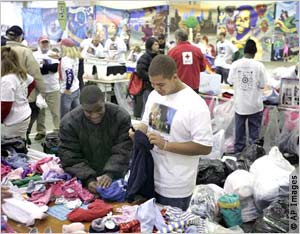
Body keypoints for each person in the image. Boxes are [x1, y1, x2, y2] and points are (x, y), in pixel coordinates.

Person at [129, 55, 213, 210]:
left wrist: (166, 145)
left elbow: (205, 147)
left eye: (161, 84)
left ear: (174, 77)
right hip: (150, 177)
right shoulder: (155, 95)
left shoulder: (194, 104)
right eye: (153, 84)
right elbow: (146, 124)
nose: (157, 89)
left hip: (176, 186)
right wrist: (137, 133)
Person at [58, 85, 132, 193]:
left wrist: (110, 173)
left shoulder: (120, 117)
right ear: (81, 106)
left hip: (117, 174)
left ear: (104, 101)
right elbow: (70, 156)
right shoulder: (69, 123)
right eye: (88, 112)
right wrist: (88, 179)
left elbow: (123, 150)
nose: (94, 115)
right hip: (83, 178)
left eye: (99, 109)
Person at [5, 25, 46, 142]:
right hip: (24, 94)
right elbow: (35, 73)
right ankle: (24, 137)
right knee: (30, 113)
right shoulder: (25, 51)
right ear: (20, 37)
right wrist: (43, 91)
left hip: (5, 94)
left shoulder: (2, 50)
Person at [227, 39, 267, 154]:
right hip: (255, 106)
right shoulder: (259, 66)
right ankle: (253, 156)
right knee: (254, 136)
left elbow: (230, 81)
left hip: (240, 105)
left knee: (239, 134)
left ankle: (239, 155)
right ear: (254, 53)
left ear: (244, 51)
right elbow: (263, 85)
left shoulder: (235, 64)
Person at [1, 47, 35, 139]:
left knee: (12, 147)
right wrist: (23, 97)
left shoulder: (7, 80)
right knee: (20, 143)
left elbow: (5, 106)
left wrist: (1, 119)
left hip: (15, 120)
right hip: (24, 114)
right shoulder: (20, 73)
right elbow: (32, 82)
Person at [32, 35, 60, 141]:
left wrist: (43, 67)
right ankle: (41, 131)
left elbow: (54, 68)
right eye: (43, 42)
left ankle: (58, 131)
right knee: (40, 112)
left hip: (53, 88)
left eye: (46, 42)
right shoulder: (34, 55)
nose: (45, 44)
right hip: (40, 88)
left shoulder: (53, 54)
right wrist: (45, 68)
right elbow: (35, 69)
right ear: (39, 43)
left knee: (55, 112)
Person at [135, 37, 159, 118]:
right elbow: (140, 71)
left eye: (158, 44)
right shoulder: (144, 57)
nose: (157, 46)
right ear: (150, 46)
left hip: (156, 87)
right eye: (155, 44)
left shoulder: (157, 57)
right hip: (147, 87)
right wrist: (151, 78)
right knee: (147, 107)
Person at [59, 38, 81, 119]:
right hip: (76, 88)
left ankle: (64, 131)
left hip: (68, 90)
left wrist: (67, 88)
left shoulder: (66, 60)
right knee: (77, 114)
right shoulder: (75, 58)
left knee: (65, 116)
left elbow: (69, 74)